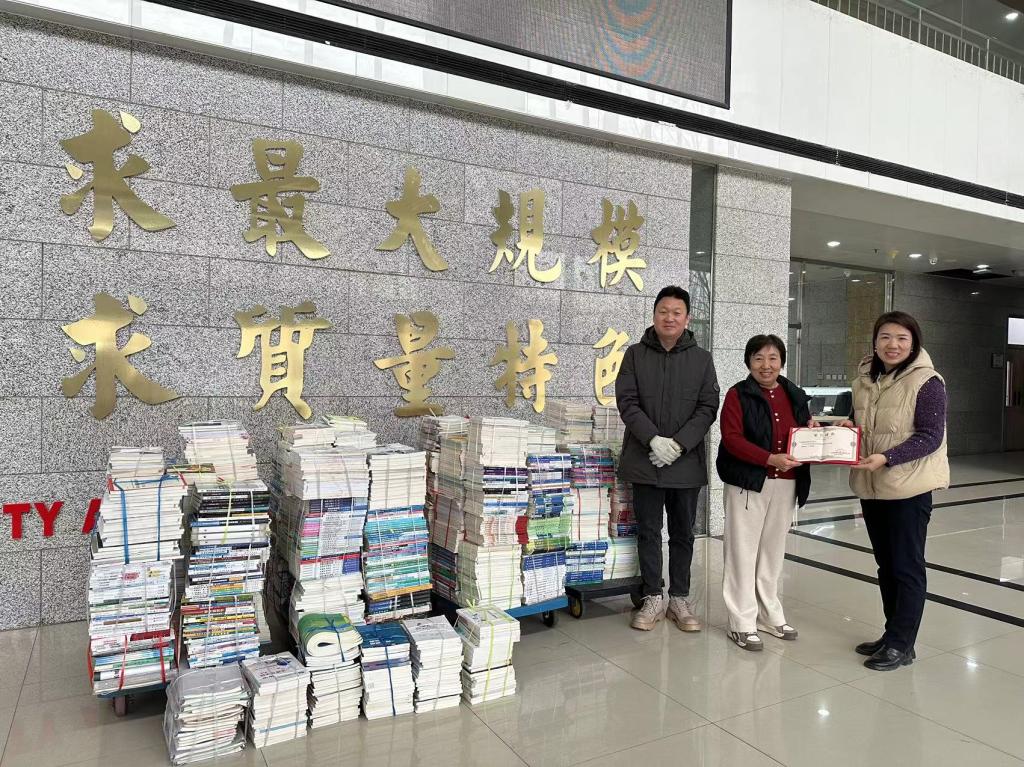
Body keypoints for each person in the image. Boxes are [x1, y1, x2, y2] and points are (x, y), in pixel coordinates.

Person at [839, 311, 948, 671]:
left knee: (906, 567)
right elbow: (863, 425)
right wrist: (847, 429)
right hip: (873, 487)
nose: (893, 345)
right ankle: (892, 635)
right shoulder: (865, 379)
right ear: (875, 342)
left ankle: (903, 644)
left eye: (902, 338)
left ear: (914, 343)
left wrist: (887, 457)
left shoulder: (927, 382)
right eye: (885, 337)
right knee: (886, 565)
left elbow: (930, 437)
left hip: (908, 489)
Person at [615, 285, 719, 631]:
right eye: (663, 311)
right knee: (648, 530)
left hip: (685, 463)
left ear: (687, 318)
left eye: (677, 312)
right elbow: (627, 401)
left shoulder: (702, 359)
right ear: (654, 315)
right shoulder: (635, 355)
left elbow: (708, 407)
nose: (669, 318)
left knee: (683, 533)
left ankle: (679, 598)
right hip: (645, 460)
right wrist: (653, 439)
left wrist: (679, 444)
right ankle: (652, 596)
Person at [716, 335, 814, 650]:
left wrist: (813, 433)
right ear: (748, 362)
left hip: (787, 482)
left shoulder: (794, 393)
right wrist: (769, 459)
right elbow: (732, 439)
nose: (766, 365)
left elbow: (803, 430)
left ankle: (769, 614)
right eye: (758, 358)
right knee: (742, 552)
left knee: (772, 552)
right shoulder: (737, 394)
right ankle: (741, 623)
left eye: (773, 358)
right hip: (748, 483)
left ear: (782, 361)